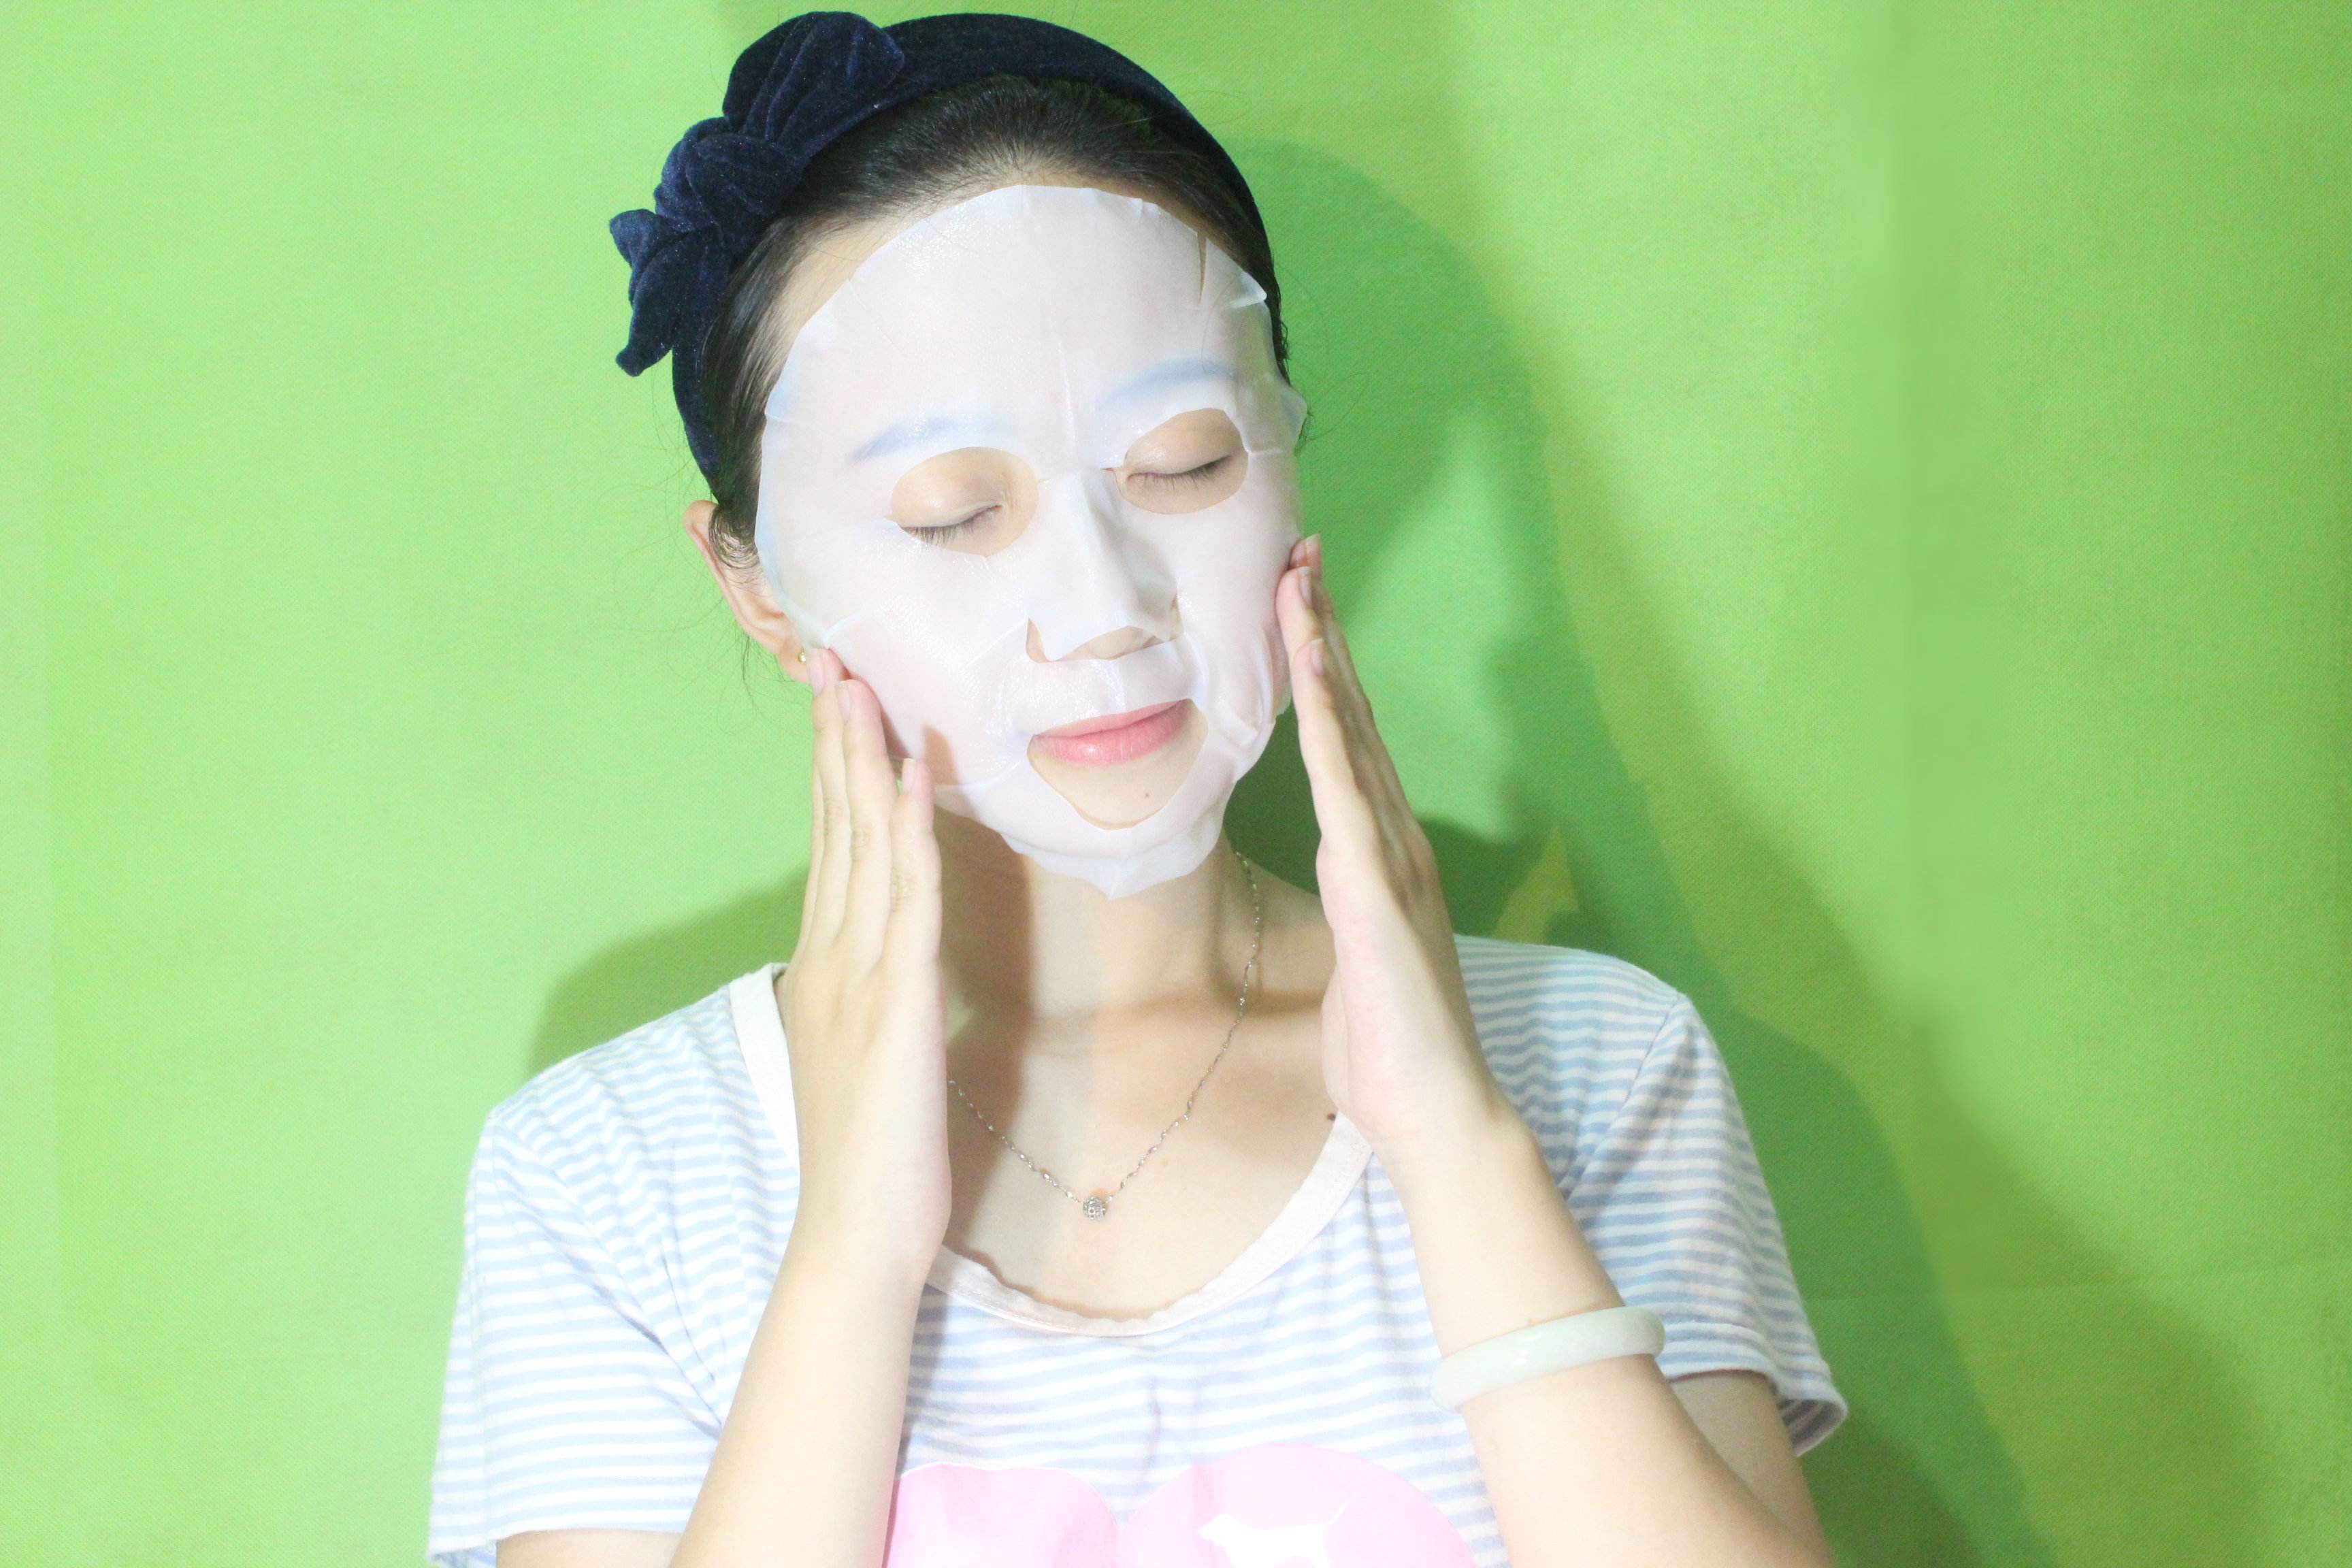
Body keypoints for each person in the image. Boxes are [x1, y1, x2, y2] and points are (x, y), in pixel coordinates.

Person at [427, 13, 1848, 1567]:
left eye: (1185, 465)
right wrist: (846, 1257)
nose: (1105, 606)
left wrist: (1456, 1143)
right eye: (953, 514)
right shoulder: (611, 1172)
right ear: (756, 585)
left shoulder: (1592, 1065)